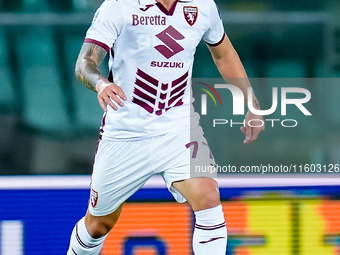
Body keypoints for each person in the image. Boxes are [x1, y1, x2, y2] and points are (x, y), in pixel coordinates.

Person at [67, 0, 264, 254]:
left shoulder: (203, 6)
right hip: (126, 134)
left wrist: (251, 101)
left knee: (208, 197)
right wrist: (101, 84)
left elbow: (223, 53)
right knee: (97, 225)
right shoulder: (118, 6)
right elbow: (84, 64)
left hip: (178, 128)